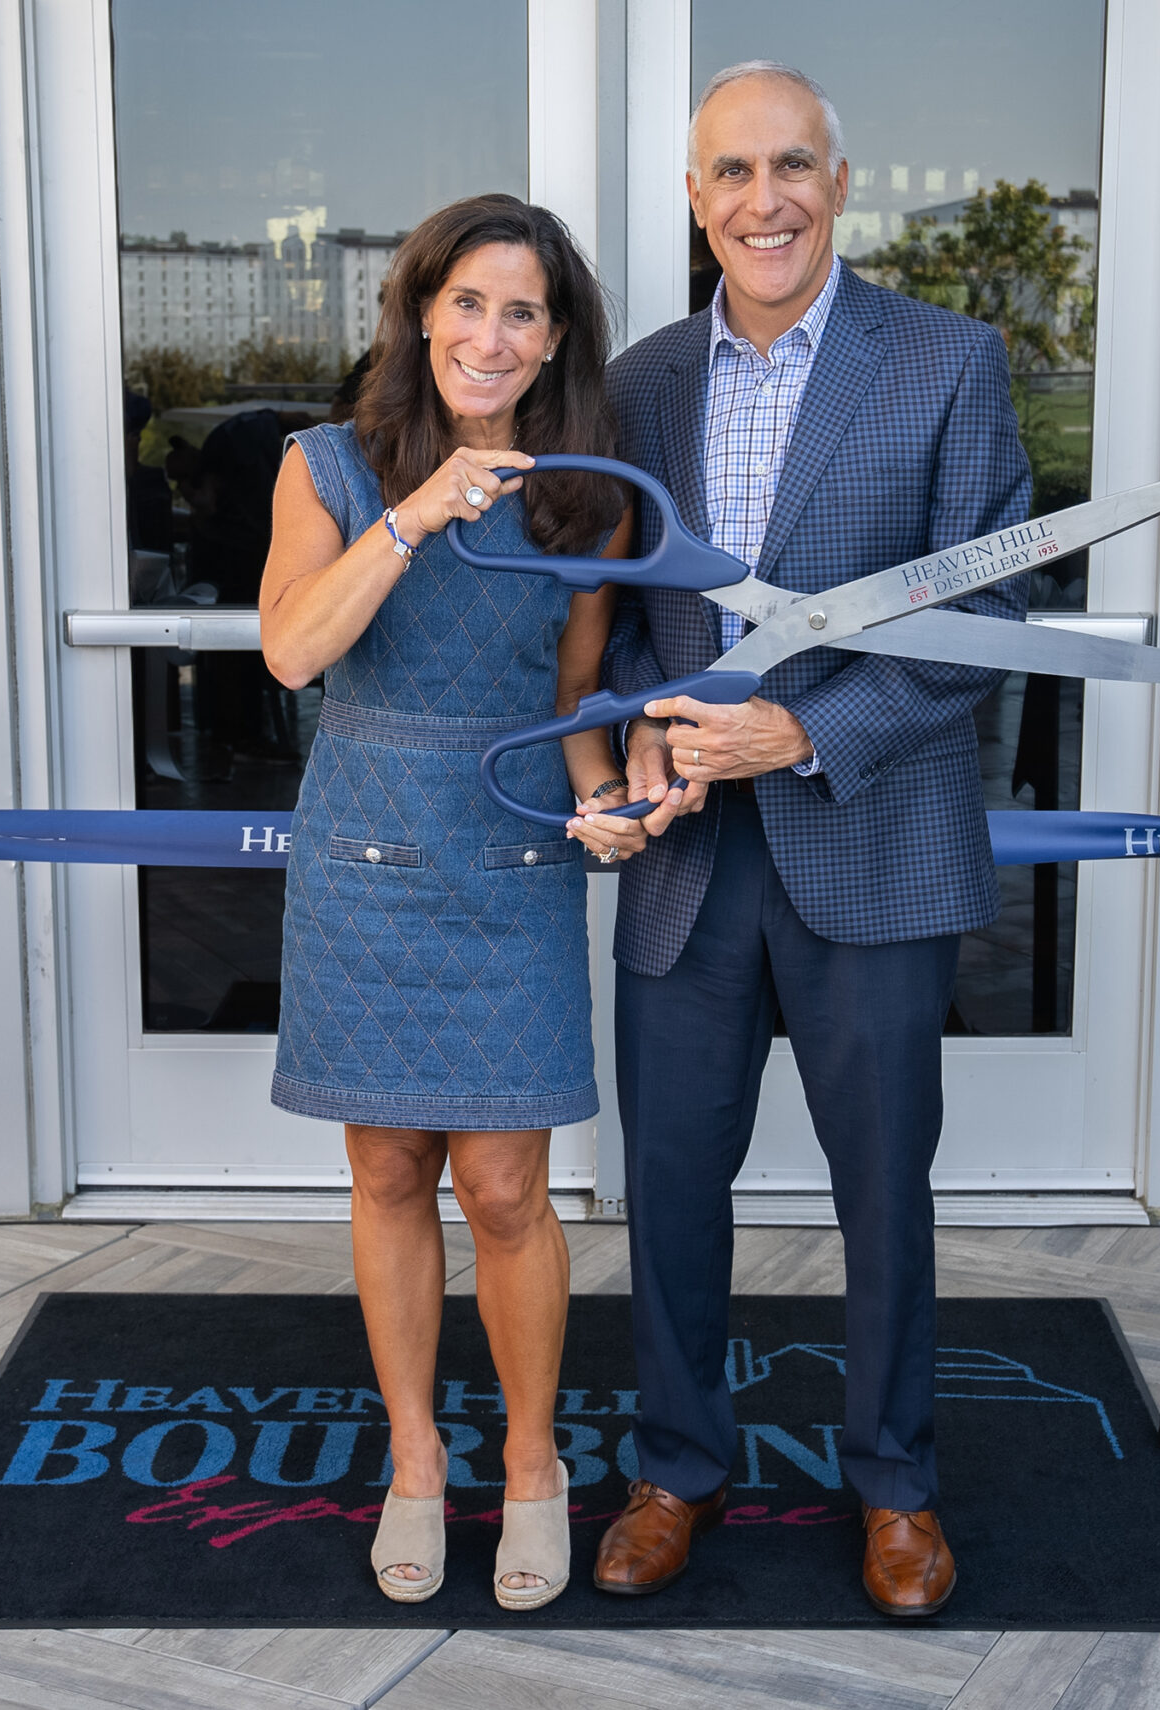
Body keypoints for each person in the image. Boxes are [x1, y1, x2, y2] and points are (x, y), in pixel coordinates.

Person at [590, 60, 1031, 1619]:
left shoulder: (946, 361)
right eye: (730, 173)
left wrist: (808, 730)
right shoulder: (636, 383)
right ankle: (674, 1466)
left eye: (792, 167)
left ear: (842, 184)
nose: (762, 200)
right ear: (696, 198)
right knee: (674, 1186)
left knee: (883, 1194)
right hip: (691, 864)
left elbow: (991, 610)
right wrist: (650, 726)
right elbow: (618, 614)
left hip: (875, 843)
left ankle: (896, 1488)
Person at [258, 193, 649, 1609]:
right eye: (468, 303)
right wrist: (416, 513)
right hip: (365, 859)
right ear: (420, 312)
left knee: (503, 1183)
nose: (491, 335)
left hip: (508, 861)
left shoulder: (587, 499)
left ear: (554, 345)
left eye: (523, 312)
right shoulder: (328, 467)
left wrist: (604, 799)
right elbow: (294, 650)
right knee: (385, 1173)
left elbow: (572, 705)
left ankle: (532, 1462)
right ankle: (416, 1456)